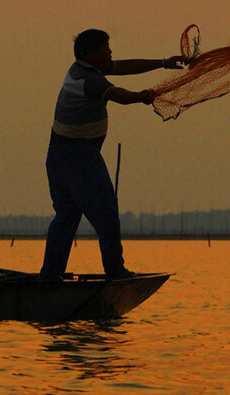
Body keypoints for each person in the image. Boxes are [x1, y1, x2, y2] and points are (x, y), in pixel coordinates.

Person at [40, 29, 189, 281]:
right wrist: (142, 97)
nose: (110, 53)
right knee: (106, 214)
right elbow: (118, 95)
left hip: (56, 156)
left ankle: (50, 276)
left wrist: (163, 64)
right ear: (91, 53)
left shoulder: (81, 70)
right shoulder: (90, 81)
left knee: (66, 216)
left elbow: (124, 66)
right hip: (79, 157)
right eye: (105, 48)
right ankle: (115, 272)